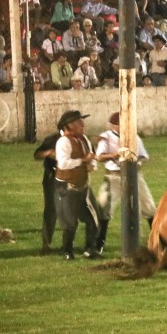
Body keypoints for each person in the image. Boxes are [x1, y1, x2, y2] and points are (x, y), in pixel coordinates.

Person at [95, 112, 157, 251]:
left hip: (134, 175)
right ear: (113, 125)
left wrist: (138, 162)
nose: (123, 127)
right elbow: (99, 157)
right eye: (120, 124)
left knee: (149, 207)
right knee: (104, 206)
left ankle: (158, 241)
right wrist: (115, 155)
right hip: (114, 176)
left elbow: (143, 156)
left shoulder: (133, 136)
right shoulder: (106, 137)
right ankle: (99, 244)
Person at [54, 110, 99, 260]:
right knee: (70, 223)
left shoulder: (84, 139)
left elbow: (91, 156)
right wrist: (82, 161)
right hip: (67, 188)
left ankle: (90, 249)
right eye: (79, 122)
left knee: (93, 219)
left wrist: (92, 165)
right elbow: (63, 163)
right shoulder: (63, 142)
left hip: (83, 187)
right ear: (70, 125)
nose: (83, 125)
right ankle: (67, 251)